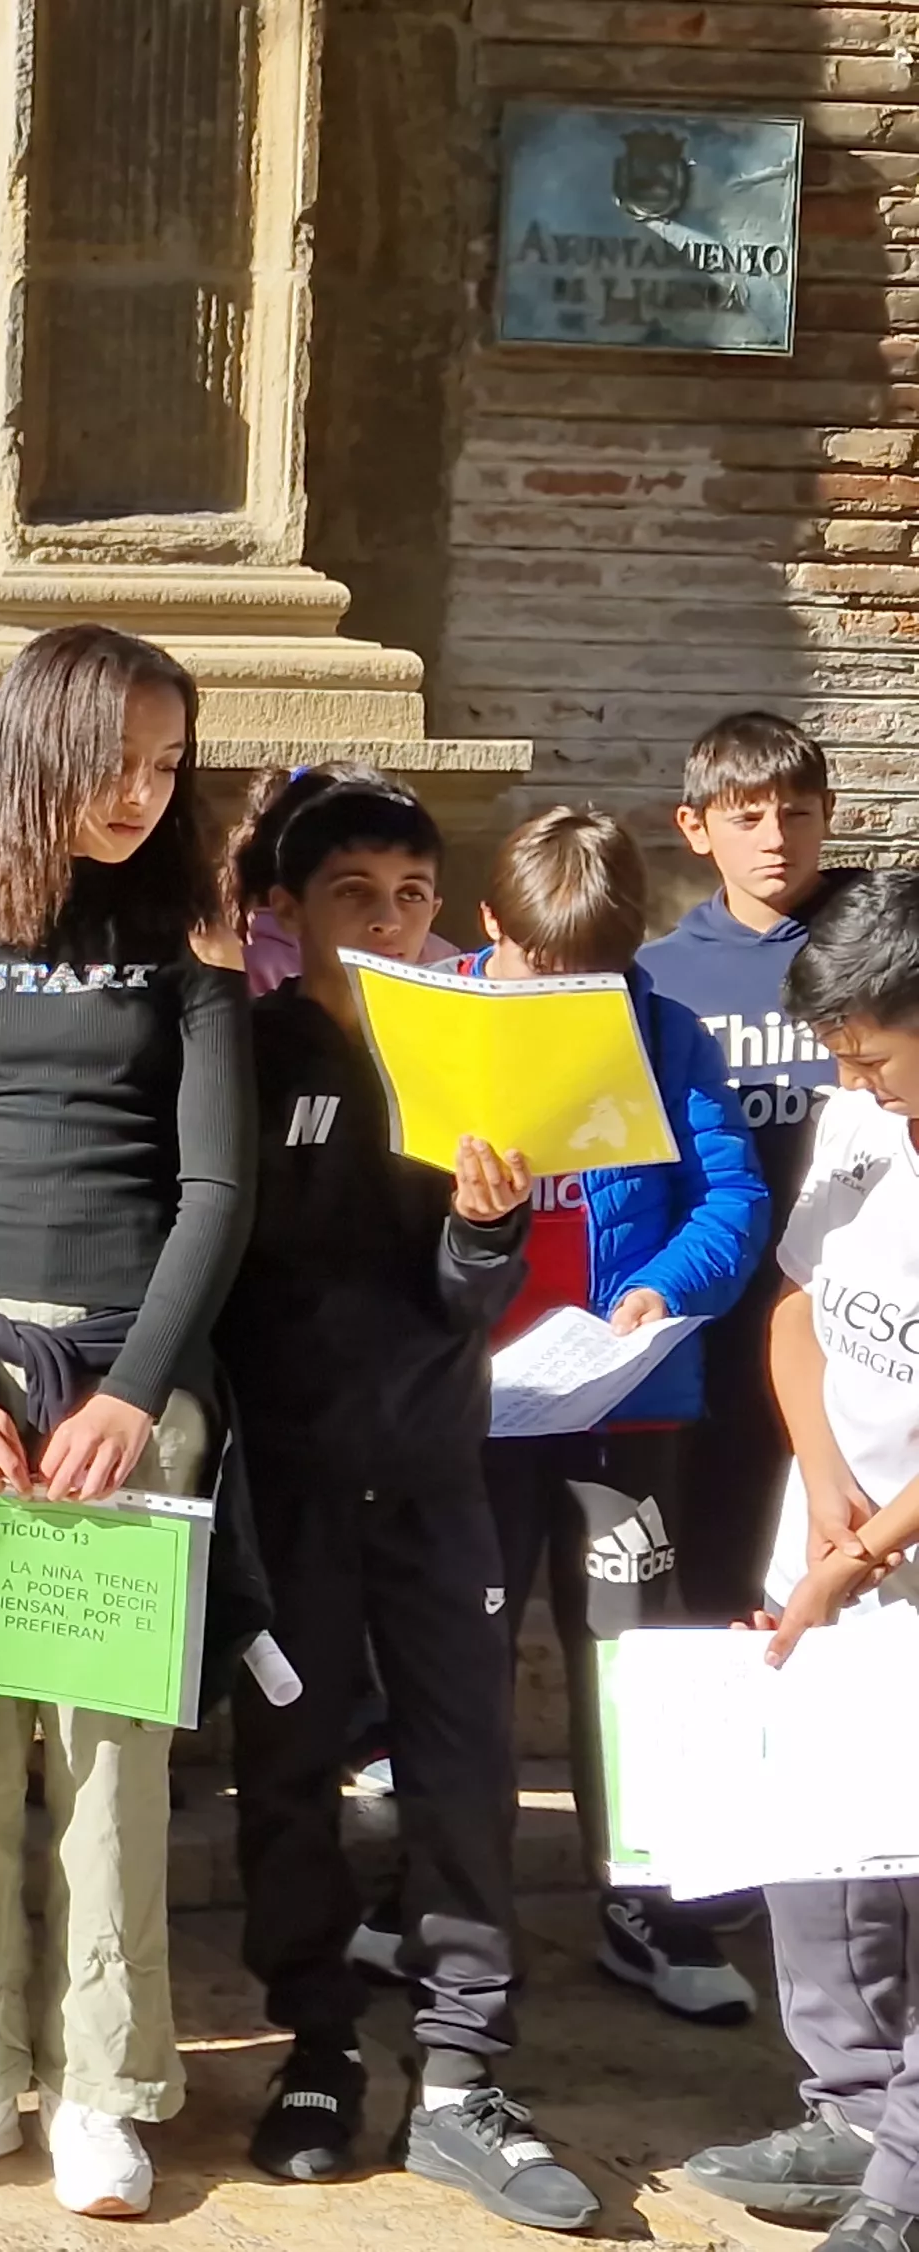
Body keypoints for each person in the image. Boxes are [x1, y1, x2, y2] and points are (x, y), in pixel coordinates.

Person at [0, 623, 251, 2220]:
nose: (147, 796)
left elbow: (217, 1190)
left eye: (171, 766)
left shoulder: (191, 934)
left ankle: (105, 2083)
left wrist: (139, 1394)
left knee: (107, 1757)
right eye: (122, 762)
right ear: (47, 746)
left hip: (125, 1386)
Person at [212, 771, 594, 2230]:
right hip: (290, 1485)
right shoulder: (242, 1053)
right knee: (293, 1769)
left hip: (440, 1478)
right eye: (356, 898)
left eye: (415, 898)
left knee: (464, 1769)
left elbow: (464, 1299)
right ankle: (314, 2049)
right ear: (288, 914)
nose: (390, 923)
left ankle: (462, 2073)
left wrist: (490, 1226)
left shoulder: (469, 1061)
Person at [420, 807, 766, 2026]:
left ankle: (645, 1902)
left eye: (598, 973)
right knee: (458, 1657)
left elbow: (729, 1195)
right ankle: (446, 1906)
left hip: (624, 1398)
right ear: (490, 929)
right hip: (470, 1398)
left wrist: (662, 1285)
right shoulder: (429, 1023)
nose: (573, 993)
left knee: (632, 1656)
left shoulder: (664, 1032)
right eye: (543, 968)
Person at [675, 871, 919, 2249]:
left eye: (874, 1051)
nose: (854, 1078)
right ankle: (850, 2108)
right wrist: (825, 1485)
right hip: (833, 1537)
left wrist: (874, 1544)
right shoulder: (857, 1118)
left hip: (891, 1563)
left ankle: (907, 2184)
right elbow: (797, 1309)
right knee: (820, 1851)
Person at [637, 712, 841, 1621]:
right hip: (721, 1305)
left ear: (828, 816)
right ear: (695, 827)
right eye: (747, 817)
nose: (775, 839)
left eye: (797, 814)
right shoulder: (658, 977)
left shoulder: (871, 953)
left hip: (855, 1299)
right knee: (724, 1545)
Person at [233, 761, 464, 996]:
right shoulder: (247, 1000)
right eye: (353, 890)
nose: (388, 922)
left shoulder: (448, 975)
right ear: (289, 909)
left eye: (412, 894)